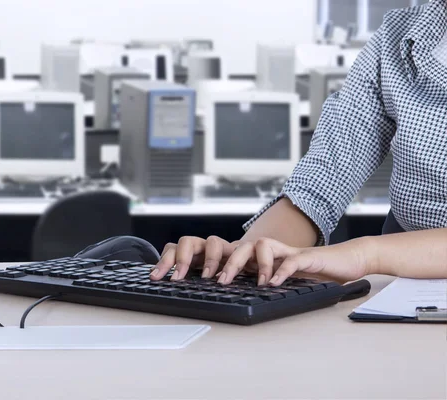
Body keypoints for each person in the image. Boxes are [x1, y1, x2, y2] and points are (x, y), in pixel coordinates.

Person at [151, 0, 447, 286]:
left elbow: (365, 256)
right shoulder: (399, 35)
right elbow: (320, 184)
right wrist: (248, 255)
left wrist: (364, 256)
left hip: (397, 262)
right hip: (407, 283)